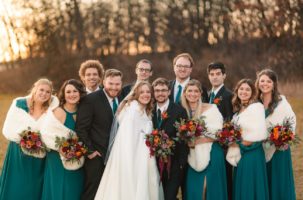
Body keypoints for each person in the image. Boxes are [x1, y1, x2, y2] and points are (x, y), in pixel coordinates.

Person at [94, 81, 164, 200]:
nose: (145, 94)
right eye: (142, 92)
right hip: (132, 158)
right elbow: (127, 140)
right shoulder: (132, 110)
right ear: (136, 94)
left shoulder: (144, 110)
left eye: (148, 92)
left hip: (144, 157)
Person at [0, 78, 59, 200]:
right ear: (35, 89)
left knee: (33, 189)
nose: (44, 93)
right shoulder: (18, 103)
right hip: (18, 154)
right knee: (16, 187)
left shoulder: (51, 110)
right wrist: (26, 140)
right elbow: (7, 129)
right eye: (41, 90)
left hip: (38, 157)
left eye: (48, 92)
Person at [75, 69, 123, 200]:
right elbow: (81, 128)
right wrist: (90, 151)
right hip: (96, 156)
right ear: (103, 82)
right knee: (92, 192)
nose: (114, 87)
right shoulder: (90, 99)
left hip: (115, 156)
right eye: (111, 83)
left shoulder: (122, 99)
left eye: (117, 84)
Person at [40, 79, 87, 200]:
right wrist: (61, 148)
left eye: (75, 91)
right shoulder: (58, 112)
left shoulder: (84, 112)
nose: (72, 94)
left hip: (78, 158)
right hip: (57, 159)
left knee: (74, 191)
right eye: (68, 92)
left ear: (80, 93)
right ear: (64, 95)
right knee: (59, 191)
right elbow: (46, 135)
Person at [182, 79, 227, 200]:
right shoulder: (181, 111)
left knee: (209, 188)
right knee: (195, 189)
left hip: (212, 153)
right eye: (190, 90)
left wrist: (197, 141)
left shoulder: (211, 108)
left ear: (201, 93)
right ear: (185, 93)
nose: (193, 94)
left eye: (196, 91)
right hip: (192, 157)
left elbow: (218, 133)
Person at [256, 69, 296, 200]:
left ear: (274, 84)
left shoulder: (282, 103)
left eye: (269, 81)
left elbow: (291, 123)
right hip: (260, 150)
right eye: (262, 81)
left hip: (279, 151)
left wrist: (281, 138)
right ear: (258, 83)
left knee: (279, 183)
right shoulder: (255, 103)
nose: (265, 84)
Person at [226, 79, 269, 200]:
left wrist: (236, 143)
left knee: (250, 185)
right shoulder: (237, 111)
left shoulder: (256, 107)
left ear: (252, 92)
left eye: (247, 89)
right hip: (241, 153)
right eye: (241, 89)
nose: (243, 92)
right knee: (242, 184)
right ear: (237, 91)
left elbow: (257, 134)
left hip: (252, 153)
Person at [151, 78, 188, 200]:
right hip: (153, 163)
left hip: (174, 163)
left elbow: (183, 138)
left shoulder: (179, 110)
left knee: (170, 196)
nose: (160, 93)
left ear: (169, 92)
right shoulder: (149, 110)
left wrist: (182, 163)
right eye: (157, 90)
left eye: (163, 90)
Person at [207, 61, 233, 200]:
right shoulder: (207, 94)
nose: (215, 77)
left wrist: (225, 146)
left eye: (218, 74)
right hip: (207, 144)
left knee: (225, 181)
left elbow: (229, 122)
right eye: (212, 74)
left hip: (222, 147)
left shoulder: (229, 96)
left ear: (224, 76)